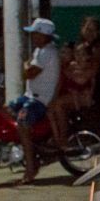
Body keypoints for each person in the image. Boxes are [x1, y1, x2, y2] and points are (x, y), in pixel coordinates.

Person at [9, 17, 62, 184]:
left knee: (22, 125)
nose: (32, 37)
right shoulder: (41, 50)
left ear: (43, 35)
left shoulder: (47, 52)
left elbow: (29, 73)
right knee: (7, 109)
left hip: (40, 99)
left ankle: (31, 168)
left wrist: (25, 65)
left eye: (35, 33)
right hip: (31, 95)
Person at [48, 41, 97, 149]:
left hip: (84, 99)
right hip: (74, 96)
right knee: (51, 110)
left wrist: (68, 73)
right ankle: (57, 138)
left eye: (82, 54)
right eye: (77, 54)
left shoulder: (90, 68)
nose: (78, 57)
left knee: (59, 105)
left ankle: (63, 138)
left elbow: (81, 81)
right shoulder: (72, 65)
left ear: (88, 56)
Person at [79, 16, 100, 116]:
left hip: (97, 93)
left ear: (98, 32)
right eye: (88, 29)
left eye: (94, 30)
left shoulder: (99, 48)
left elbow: (92, 72)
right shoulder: (80, 47)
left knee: (60, 105)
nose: (90, 33)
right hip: (82, 90)